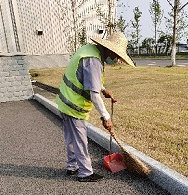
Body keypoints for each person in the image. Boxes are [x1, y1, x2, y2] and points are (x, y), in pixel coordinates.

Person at [56, 32, 135, 182]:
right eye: (118, 57)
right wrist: (106, 117)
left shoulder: (89, 50)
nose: (117, 60)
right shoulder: (94, 61)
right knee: (80, 140)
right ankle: (85, 173)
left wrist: (103, 89)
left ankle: (72, 166)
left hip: (64, 102)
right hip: (73, 105)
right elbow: (94, 95)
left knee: (71, 138)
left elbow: (89, 78)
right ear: (110, 51)